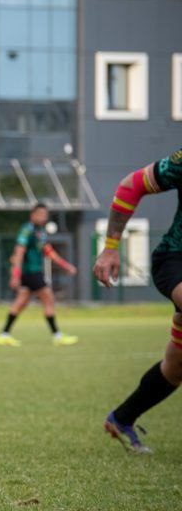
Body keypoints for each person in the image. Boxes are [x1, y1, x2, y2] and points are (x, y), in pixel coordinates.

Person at [95, 147, 182, 453]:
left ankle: (122, 418)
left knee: (175, 366)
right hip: (176, 260)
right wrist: (109, 247)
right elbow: (131, 185)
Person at [0, 203, 78, 347]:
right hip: (31, 272)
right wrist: (15, 274)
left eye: (45, 215)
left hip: (33, 273)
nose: (43, 217)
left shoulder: (41, 232)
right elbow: (19, 252)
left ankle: (4, 334)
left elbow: (48, 251)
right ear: (32, 215)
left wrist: (65, 265)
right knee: (49, 298)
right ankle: (57, 336)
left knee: (21, 303)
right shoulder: (27, 230)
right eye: (40, 214)